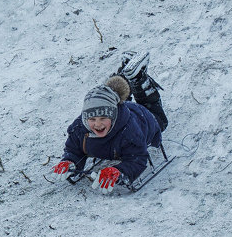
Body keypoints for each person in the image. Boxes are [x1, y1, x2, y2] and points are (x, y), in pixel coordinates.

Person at [53, 55, 168, 191]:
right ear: (85, 118)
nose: (98, 124)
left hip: (144, 118)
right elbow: (74, 150)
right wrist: (69, 161)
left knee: (159, 120)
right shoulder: (79, 129)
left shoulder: (129, 132)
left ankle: (138, 79)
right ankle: (125, 72)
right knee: (114, 93)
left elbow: (138, 158)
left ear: (113, 116)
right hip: (119, 108)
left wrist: (120, 171)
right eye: (92, 119)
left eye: (103, 118)